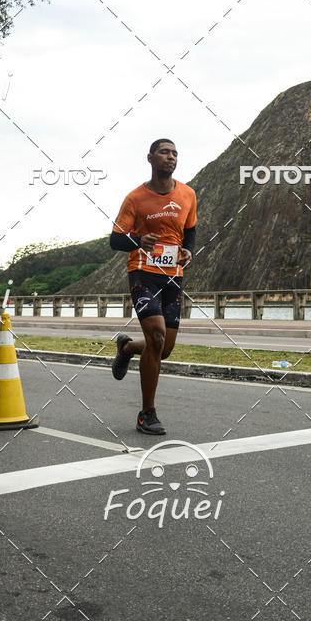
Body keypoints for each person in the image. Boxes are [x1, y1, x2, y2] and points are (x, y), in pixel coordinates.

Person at [109, 139, 197, 435]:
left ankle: (128, 347)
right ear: (150, 158)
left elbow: (190, 229)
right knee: (157, 336)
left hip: (173, 274)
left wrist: (188, 250)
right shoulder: (135, 198)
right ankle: (147, 413)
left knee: (165, 348)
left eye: (174, 153)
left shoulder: (187, 193)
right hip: (143, 272)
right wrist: (138, 240)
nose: (170, 157)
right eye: (164, 152)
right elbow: (115, 240)